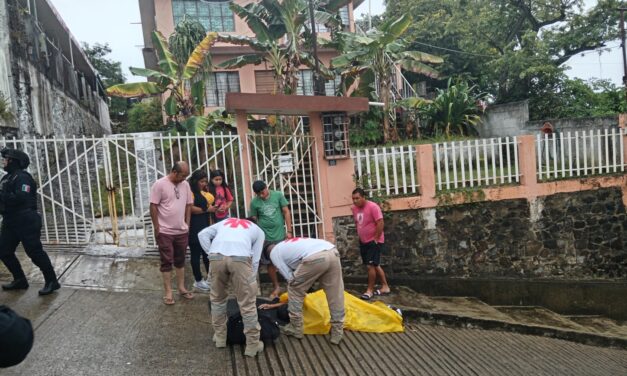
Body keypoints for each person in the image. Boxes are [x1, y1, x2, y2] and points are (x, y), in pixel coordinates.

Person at [198, 217, 265, 357]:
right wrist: (252, 277)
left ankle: (220, 338)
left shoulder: (225, 221)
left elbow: (202, 234)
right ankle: (252, 345)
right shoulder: (258, 231)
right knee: (247, 304)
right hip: (240, 258)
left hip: (216, 256)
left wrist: (211, 253)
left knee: (217, 299)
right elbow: (256, 258)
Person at [0, 148, 60, 295]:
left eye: (6, 159)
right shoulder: (6, 178)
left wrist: (3, 196)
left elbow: (22, 197)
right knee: (4, 251)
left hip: (26, 219)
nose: (3, 161)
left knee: (34, 252)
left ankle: (52, 281)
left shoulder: (22, 178)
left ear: (13, 161)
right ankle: (20, 279)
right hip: (10, 220)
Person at [265, 237, 345, 345]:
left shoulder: (274, 253)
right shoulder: (286, 244)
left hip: (316, 257)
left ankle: (296, 327)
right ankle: (337, 331)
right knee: (335, 293)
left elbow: (290, 278)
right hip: (332, 251)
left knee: (294, 288)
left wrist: (299, 284)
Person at [150, 161, 194, 305]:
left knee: (180, 260)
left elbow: (189, 204)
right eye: (182, 175)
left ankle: (181, 287)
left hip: (181, 230)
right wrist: (157, 227)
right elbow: (153, 206)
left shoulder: (185, 185)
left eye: (186, 176)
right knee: (166, 261)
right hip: (165, 231)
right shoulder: (159, 184)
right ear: (174, 172)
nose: (184, 178)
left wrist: (187, 224)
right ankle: (168, 291)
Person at [249, 180, 292, 299]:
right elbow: (253, 219)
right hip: (266, 238)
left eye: (263, 192)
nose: (261, 195)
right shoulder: (254, 203)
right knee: (271, 263)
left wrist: (289, 231)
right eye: (259, 194)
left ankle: (291, 285)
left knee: (286, 260)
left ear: (266, 187)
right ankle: (276, 287)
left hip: (280, 235)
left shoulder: (278, 195)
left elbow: (286, 212)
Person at [351, 188, 390, 300]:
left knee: (370, 265)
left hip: (374, 241)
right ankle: (385, 286)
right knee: (375, 264)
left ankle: (369, 291)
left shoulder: (373, 207)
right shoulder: (354, 209)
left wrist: (376, 239)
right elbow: (358, 223)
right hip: (363, 241)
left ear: (364, 197)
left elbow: (380, 222)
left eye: (357, 198)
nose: (355, 201)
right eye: (353, 199)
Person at [188, 169, 216, 292]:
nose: (204, 183)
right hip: (194, 227)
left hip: (205, 226)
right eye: (202, 181)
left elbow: (208, 207)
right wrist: (207, 210)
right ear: (195, 181)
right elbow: (190, 209)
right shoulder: (190, 193)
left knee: (207, 254)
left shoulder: (203, 193)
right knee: (195, 254)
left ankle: (211, 279)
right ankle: (198, 280)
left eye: (205, 181)